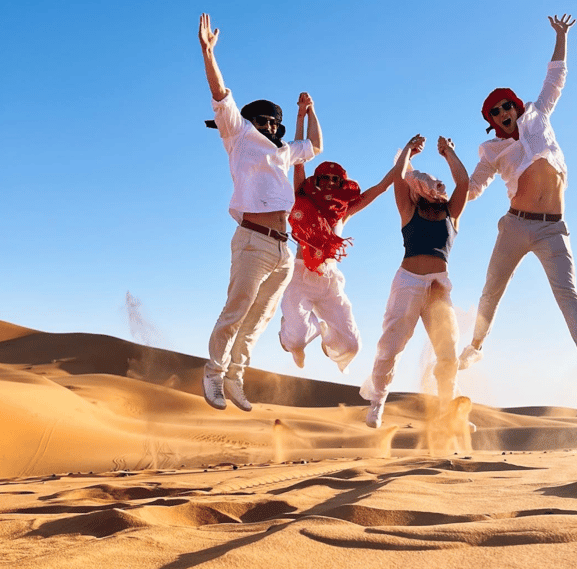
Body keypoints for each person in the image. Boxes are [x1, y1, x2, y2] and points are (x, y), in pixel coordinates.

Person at [459, 14, 577, 387]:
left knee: (567, 292)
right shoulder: (492, 151)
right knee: (493, 287)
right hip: (517, 224)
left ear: (516, 106)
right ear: (492, 121)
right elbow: (471, 188)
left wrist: (561, 36)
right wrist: (446, 181)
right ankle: (474, 346)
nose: (503, 113)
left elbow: (556, 78)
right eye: (495, 112)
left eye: (506, 106)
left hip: (554, 228)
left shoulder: (539, 115)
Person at [198, 13, 322, 411]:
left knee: (260, 321)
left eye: (275, 120)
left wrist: (310, 109)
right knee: (236, 311)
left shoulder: (283, 152)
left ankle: (236, 376)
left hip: (284, 250)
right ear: (252, 120)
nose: (271, 124)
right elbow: (220, 94)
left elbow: (316, 146)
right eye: (265, 118)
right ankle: (214, 373)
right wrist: (208, 52)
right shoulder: (237, 135)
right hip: (253, 240)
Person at [279, 96, 395, 373]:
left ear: (341, 184)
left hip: (330, 280)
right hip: (299, 274)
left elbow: (379, 188)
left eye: (335, 179)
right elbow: (298, 159)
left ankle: (324, 337)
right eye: (325, 178)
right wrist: (303, 115)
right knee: (295, 339)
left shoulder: (344, 212)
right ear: (316, 181)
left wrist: (405, 161)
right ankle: (296, 338)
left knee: (352, 345)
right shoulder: (302, 200)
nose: (330, 183)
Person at [361, 134, 469, 428]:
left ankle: (448, 412)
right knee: (391, 346)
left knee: (448, 351)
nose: (436, 190)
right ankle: (377, 403)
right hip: (408, 283)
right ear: (418, 190)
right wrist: (408, 151)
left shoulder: (451, 214)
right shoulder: (409, 211)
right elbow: (398, 178)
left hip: (438, 287)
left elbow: (464, 183)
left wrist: (448, 153)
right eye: (428, 186)